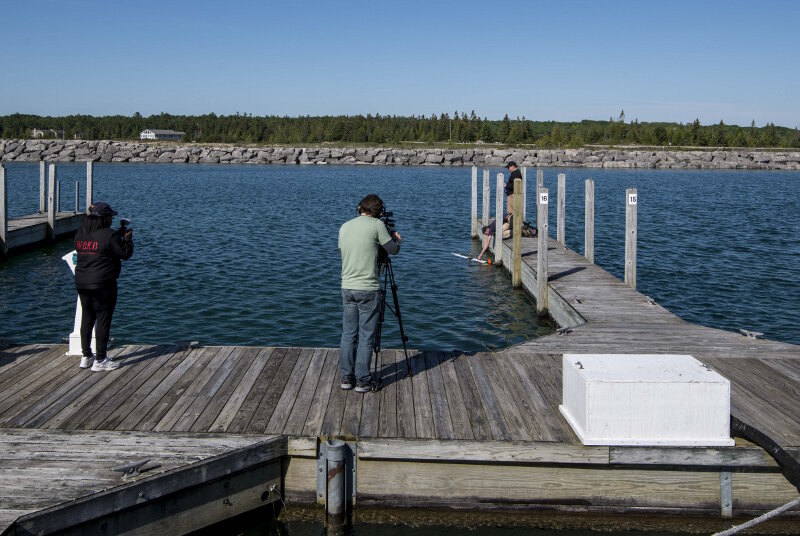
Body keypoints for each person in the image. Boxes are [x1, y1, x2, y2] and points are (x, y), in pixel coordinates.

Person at [338, 194, 402, 393]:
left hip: (347, 287)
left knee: (349, 333)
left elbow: (343, 253)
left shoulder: (345, 226)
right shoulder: (377, 226)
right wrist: (396, 239)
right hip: (368, 288)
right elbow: (393, 251)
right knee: (366, 336)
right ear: (378, 212)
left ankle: (346, 378)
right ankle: (363, 380)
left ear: (360, 209)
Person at [74, 202, 133, 371]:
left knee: (87, 318)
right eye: (110, 217)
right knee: (103, 320)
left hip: (82, 282)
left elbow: (98, 247)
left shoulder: (80, 233)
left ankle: (86, 356)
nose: (111, 219)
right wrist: (128, 240)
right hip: (103, 284)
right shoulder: (109, 235)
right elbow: (124, 253)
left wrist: (118, 236)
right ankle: (101, 360)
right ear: (104, 218)